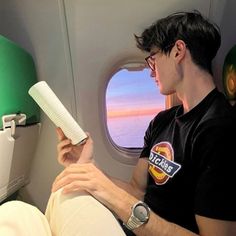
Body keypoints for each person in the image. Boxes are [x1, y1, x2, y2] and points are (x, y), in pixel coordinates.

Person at [52, 10, 236, 236]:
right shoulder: (162, 121)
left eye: (153, 59)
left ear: (178, 51)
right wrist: (88, 168)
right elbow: (136, 192)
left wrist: (110, 193)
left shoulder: (221, 130)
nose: (151, 73)